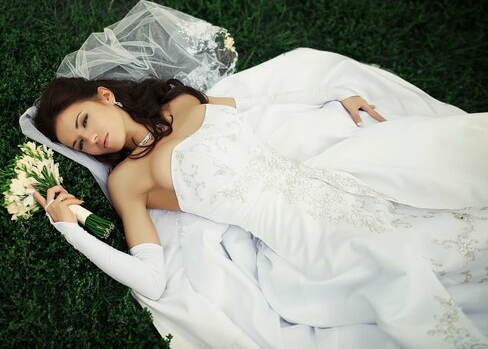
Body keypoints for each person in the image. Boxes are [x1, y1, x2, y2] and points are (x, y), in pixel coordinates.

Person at [28, 72, 488, 349]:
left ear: (105, 96)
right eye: (80, 144)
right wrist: (73, 231)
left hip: (331, 184)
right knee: (403, 270)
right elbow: (152, 278)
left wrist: (336, 92)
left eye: (85, 123)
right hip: (301, 236)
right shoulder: (128, 180)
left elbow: (262, 104)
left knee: (445, 214)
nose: (92, 142)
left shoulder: (181, 103)